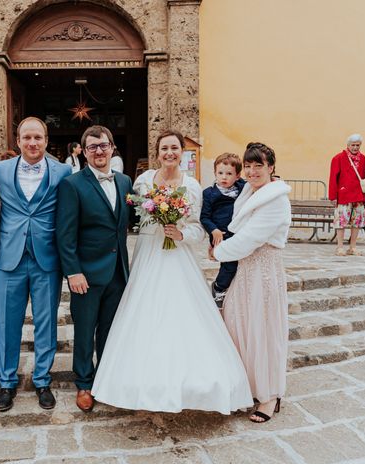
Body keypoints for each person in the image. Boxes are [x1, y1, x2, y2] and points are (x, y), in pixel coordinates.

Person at [91, 130, 253, 414]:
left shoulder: (191, 186)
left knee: (182, 313)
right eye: (164, 148)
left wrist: (180, 234)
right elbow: (134, 217)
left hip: (178, 256)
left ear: (181, 153)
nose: (169, 153)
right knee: (142, 310)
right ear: (157, 152)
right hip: (149, 253)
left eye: (174, 148)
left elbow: (197, 229)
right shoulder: (142, 181)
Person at [0, 117, 72, 412]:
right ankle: (7, 382)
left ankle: (42, 380)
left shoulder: (63, 171)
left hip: (46, 258)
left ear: (46, 140)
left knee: (46, 322)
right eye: (27, 138)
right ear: (18, 141)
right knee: (7, 324)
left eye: (38, 137)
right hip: (8, 258)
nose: (32, 143)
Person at [56, 125, 134, 413]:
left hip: (117, 271)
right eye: (92, 147)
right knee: (85, 331)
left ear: (112, 147)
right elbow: (65, 234)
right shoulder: (73, 184)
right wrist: (73, 271)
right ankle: (84, 383)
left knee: (110, 331)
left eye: (103, 145)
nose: (99, 151)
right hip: (86, 274)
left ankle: (106, 377)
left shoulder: (125, 182)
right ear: (84, 151)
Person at [213, 142, 291, 423]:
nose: (252, 170)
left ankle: (270, 396)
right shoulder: (248, 192)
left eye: (259, 165)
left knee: (264, 331)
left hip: (264, 271)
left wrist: (219, 252)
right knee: (238, 326)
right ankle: (247, 387)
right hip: (244, 271)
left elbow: (250, 238)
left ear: (271, 168)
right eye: (248, 165)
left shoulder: (276, 199)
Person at [200, 152, 246, 307]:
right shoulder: (209, 193)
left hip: (239, 233)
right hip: (220, 235)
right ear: (215, 173)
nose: (224, 177)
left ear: (238, 176)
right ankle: (219, 287)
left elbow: (259, 184)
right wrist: (213, 230)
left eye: (229, 174)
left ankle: (232, 291)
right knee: (229, 263)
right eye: (220, 173)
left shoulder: (243, 188)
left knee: (240, 264)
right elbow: (204, 217)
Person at [328, 134, 365, 256]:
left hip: (359, 196)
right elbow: (333, 178)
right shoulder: (338, 158)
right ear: (348, 145)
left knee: (357, 222)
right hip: (344, 195)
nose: (355, 147)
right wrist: (333, 196)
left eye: (358, 145)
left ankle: (353, 247)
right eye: (353, 145)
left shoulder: (363, 159)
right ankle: (340, 247)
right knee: (341, 221)